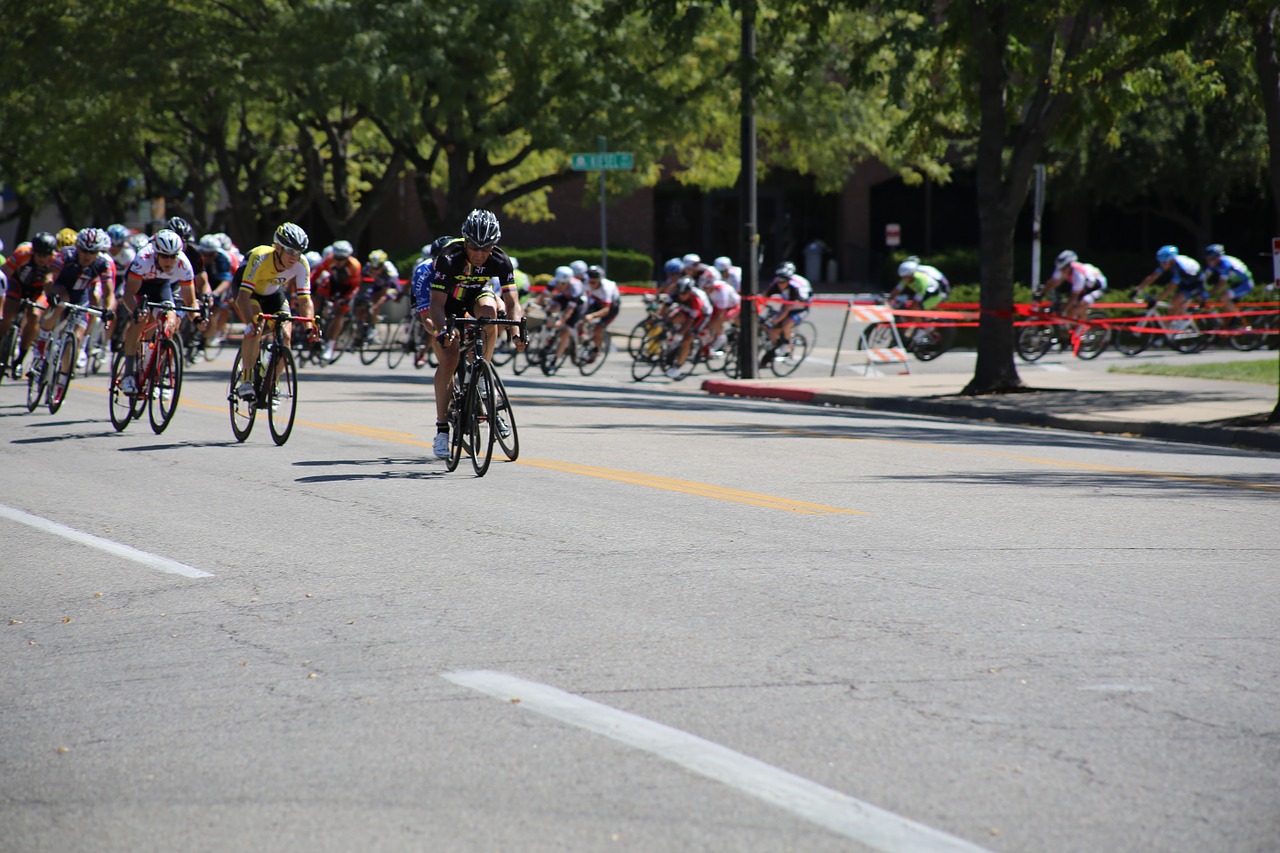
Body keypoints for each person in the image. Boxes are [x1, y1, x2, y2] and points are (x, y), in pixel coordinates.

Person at [427, 209, 519, 459]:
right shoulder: (449, 257)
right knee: (449, 358)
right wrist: (442, 329)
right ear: (464, 241)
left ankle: (482, 373)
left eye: (485, 248)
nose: (479, 255)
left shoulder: (501, 260)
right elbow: (436, 303)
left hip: (477, 296)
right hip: (448, 304)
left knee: (490, 313)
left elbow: (512, 301)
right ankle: (442, 430)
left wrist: (518, 328)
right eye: (473, 247)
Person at [232, 223, 315, 401]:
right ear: (277, 248)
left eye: (298, 252)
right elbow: (243, 296)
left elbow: (304, 300)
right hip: (248, 293)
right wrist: (249, 325)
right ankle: (246, 380)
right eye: (290, 251)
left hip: (273, 293)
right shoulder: (260, 257)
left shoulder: (301, 264)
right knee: (257, 325)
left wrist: (309, 327)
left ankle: (272, 382)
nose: (294, 257)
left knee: (285, 335)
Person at [118, 229, 199, 394]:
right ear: (156, 253)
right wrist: (135, 311)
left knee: (169, 319)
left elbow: (191, 301)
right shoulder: (144, 258)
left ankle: (156, 371)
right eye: (164, 256)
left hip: (162, 286)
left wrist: (197, 318)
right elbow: (128, 294)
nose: (169, 261)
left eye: (173, 256)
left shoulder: (183, 263)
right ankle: (128, 375)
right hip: (140, 286)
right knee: (141, 318)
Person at [33, 228, 117, 380]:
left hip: (80, 295)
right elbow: (50, 276)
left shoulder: (102, 264)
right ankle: (42, 342)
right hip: (60, 288)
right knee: (62, 301)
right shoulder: (66, 254)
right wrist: (51, 293)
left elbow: (109, 292)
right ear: (78, 247)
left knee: (77, 337)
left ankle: (63, 379)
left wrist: (109, 309)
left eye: (92, 252)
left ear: (98, 252)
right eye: (84, 250)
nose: (87, 256)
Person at [0, 233, 58, 375]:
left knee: (34, 315)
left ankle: (20, 360)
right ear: (33, 252)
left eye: (46, 256)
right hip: (17, 284)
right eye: (39, 255)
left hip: (38, 290)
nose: (43, 259)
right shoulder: (22, 253)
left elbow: (52, 283)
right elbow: (5, 274)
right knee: (6, 315)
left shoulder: (55, 261)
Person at [309, 239, 361, 360]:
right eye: (336, 258)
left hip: (347, 288)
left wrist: (345, 299)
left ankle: (330, 345)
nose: (338, 262)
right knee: (319, 292)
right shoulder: (329, 259)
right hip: (333, 282)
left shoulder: (354, 266)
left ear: (348, 257)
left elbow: (355, 287)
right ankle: (315, 319)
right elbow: (316, 274)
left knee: (340, 313)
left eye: (341, 259)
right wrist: (308, 289)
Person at [1136, 245, 1203, 327]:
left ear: (1171, 261)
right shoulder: (1167, 263)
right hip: (1185, 281)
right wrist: (1137, 289)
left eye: (1164, 263)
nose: (1162, 265)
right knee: (1173, 307)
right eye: (1160, 262)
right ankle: (1170, 333)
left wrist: (1156, 299)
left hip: (1196, 283)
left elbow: (1170, 288)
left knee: (1175, 301)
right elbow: (1153, 276)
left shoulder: (1179, 267)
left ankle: (1182, 323)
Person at [1037, 250, 1106, 322]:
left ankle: (1082, 328)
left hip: (1096, 286)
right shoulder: (1061, 267)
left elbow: (1074, 296)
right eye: (1061, 269)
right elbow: (1053, 282)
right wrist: (1042, 293)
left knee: (1074, 309)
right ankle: (1078, 319)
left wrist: (1063, 310)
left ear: (1070, 266)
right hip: (1083, 286)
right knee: (1063, 304)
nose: (1062, 271)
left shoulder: (1078, 275)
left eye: (1064, 269)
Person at [760, 261, 812, 356]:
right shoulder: (778, 282)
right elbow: (764, 296)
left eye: (783, 282)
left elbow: (787, 310)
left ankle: (787, 344)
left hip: (800, 309)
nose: (780, 284)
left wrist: (774, 321)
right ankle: (773, 348)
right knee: (773, 328)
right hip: (788, 306)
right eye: (779, 281)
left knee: (785, 324)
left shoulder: (794, 288)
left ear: (789, 280)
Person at [666, 275, 712, 378]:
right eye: (680, 294)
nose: (682, 296)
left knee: (687, 339)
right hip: (687, 310)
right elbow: (666, 306)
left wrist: (681, 334)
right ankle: (672, 344)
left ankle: (677, 367)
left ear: (690, 292)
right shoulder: (675, 293)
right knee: (672, 318)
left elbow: (691, 320)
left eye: (685, 294)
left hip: (702, 315)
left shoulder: (697, 300)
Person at [197, 234, 237, 349]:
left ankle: (206, 339)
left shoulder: (222, 258)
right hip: (201, 281)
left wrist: (216, 293)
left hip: (218, 284)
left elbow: (227, 280)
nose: (208, 257)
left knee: (213, 311)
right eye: (205, 254)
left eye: (211, 254)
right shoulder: (196, 256)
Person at [545, 265, 587, 373]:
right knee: (551, 309)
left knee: (564, 331)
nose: (560, 285)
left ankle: (555, 360)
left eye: (563, 284)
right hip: (565, 298)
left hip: (577, 305)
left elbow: (569, 310)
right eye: (558, 283)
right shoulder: (556, 281)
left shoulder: (576, 287)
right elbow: (543, 295)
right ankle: (548, 338)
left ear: (568, 281)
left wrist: (561, 321)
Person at [1202, 244, 1254, 325]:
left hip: (1245, 284)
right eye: (1207, 259)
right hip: (1235, 284)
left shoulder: (1225, 264)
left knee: (1223, 296)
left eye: (1211, 259)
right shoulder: (1215, 262)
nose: (1209, 261)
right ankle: (1227, 329)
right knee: (1225, 312)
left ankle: (1238, 318)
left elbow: (1222, 283)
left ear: (1218, 257)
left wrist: (1208, 294)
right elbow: (1204, 277)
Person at [354, 249, 400, 339]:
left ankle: (373, 327)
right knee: (363, 302)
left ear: (383, 265)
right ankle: (360, 325)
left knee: (376, 304)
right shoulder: (367, 267)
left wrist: (376, 304)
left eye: (377, 268)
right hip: (377, 285)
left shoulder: (390, 271)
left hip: (391, 287)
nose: (374, 271)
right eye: (373, 268)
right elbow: (359, 281)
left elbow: (389, 290)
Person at [582, 264, 621, 354]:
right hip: (596, 301)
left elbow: (606, 310)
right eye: (589, 282)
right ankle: (584, 339)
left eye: (593, 283)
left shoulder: (607, 288)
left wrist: (592, 316)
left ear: (599, 280)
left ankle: (596, 349)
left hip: (611, 306)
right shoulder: (585, 283)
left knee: (597, 329)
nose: (590, 285)